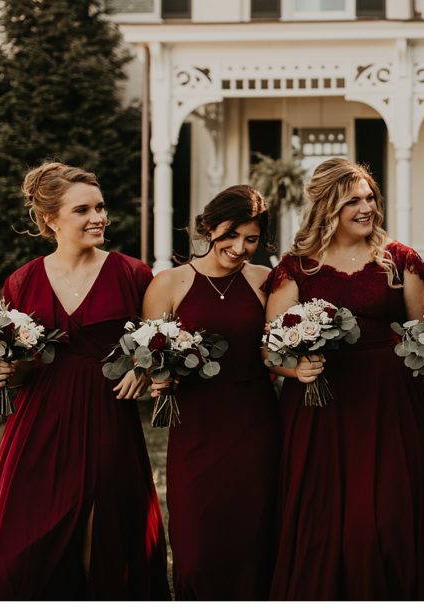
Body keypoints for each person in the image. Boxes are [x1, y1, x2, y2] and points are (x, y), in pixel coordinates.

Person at [0, 162, 169, 600]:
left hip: (106, 421)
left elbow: (163, 343)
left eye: (100, 207)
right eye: (83, 210)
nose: (98, 217)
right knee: (19, 555)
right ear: (51, 219)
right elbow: (19, 361)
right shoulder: (22, 282)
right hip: (38, 425)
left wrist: (144, 369)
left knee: (102, 547)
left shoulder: (133, 274)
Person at [265, 158, 424, 600]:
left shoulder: (398, 260)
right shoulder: (296, 268)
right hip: (321, 403)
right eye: (353, 201)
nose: (367, 208)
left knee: (388, 510)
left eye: (370, 198)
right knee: (323, 512)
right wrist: (295, 368)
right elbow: (270, 348)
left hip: (390, 399)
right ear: (328, 207)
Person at [141, 185, 279, 599]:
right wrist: (158, 380)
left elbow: (280, 349)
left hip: (256, 424)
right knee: (197, 541)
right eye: (231, 235)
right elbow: (148, 357)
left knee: (256, 535)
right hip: (196, 428)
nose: (240, 247)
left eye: (251, 239)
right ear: (207, 228)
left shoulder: (266, 281)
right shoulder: (169, 284)